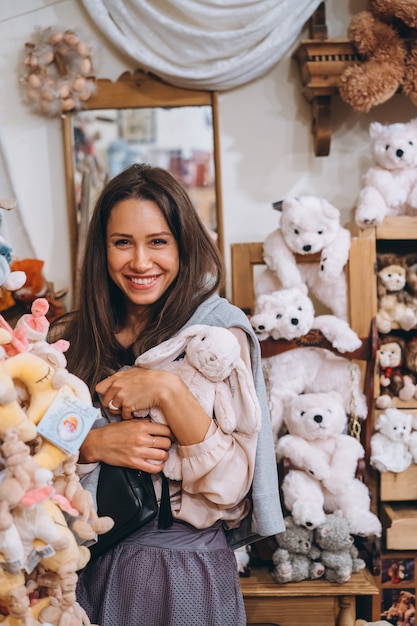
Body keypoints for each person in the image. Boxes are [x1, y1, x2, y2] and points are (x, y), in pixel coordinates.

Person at [49, 162, 284, 626]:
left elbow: (233, 487)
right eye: (123, 243)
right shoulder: (69, 338)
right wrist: (90, 443)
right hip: (88, 571)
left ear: (183, 245)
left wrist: (168, 389)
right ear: (102, 249)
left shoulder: (218, 335)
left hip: (191, 571)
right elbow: (29, 456)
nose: (140, 262)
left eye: (158, 241)